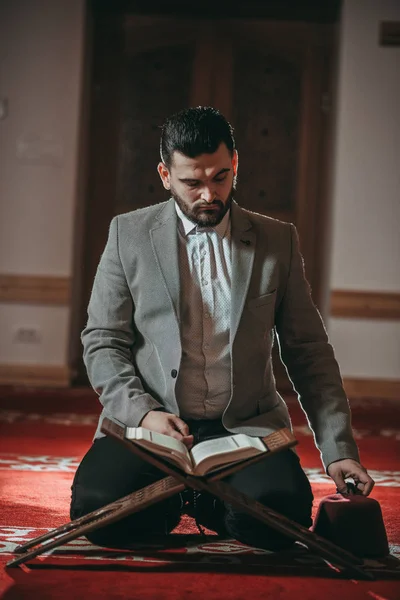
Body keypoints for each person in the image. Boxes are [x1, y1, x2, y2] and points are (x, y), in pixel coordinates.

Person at [70, 106, 374, 550]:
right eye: (193, 182)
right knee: (99, 514)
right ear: (165, 175)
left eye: (220, 177)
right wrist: (142, 412)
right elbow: (103, 341)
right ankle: (182, 499)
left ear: (236, 166)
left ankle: (205, 502)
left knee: (279, 518)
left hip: (243, 429)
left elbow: (309, 352)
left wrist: (339, 449)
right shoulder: (127, 235)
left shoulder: (277, 240)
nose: (209, 194)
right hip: (151, 424)